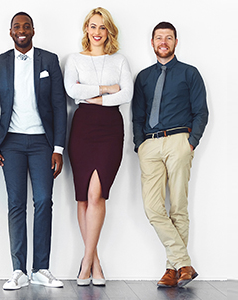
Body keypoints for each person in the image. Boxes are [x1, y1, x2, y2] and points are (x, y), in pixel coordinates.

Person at [0, 12, 67, 290]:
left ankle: (41, 268)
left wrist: (58, 148)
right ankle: (19, 270)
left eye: (26, 26)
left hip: (42, 143)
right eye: (17, 27)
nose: (22, 31)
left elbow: (58, 105)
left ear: (33, 31)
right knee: (16, 204)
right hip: (12, 144)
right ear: (10, 32)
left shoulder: (49, 60)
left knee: (43, 201)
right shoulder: (0, 62)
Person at [132, 22, 208, 288]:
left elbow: (201, 112)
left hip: (178, 140)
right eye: (159, 38)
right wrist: (139, 144)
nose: (163, 42)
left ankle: (170, 269)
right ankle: (183, 262)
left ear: (176, 42)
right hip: (150, 145)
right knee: (153, 208)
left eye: (168, 38)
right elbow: (137, 114)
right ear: (151, 42)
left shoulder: (190, 73)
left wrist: (191, 142)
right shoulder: (142, 77)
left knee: (178, 206)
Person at [64, 7, 133, 286]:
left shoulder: (120, 60)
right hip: (81, 128)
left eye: (102, 27)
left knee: (97, 194)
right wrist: (107, 89)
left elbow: (126, 93)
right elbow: (72, 90)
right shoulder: (74, 59)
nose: (96, 32)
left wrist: (94, 93)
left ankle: (85, 264)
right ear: (86, 29)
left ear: (109, 31)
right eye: (92, 26)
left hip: (109, 129)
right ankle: (95, 262)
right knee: (83, 196)